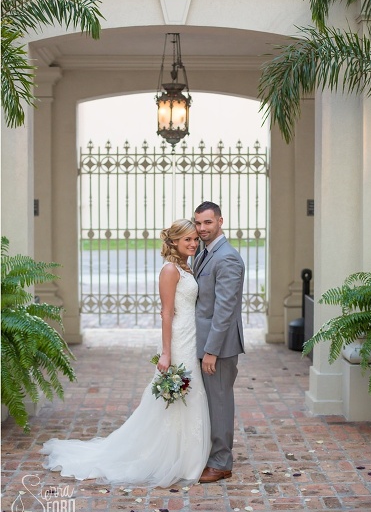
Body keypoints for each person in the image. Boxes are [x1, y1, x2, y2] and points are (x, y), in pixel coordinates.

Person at [41, 219, 211, 487]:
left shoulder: (187, 266)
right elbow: (166, 313)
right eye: (186, 239)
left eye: (194, 239)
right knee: (178, 395)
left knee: (190, 394)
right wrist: (166, 353)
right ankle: (169, 457)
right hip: (178, 340)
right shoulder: (170, 270)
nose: (192, 243)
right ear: (174, 242)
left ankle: (187, 457)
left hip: (191, 336)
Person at [193, 201, 245, 484]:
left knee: (221, 402)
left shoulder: (227, 258)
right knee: (211, 402)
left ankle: (222, 463)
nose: (201, 228)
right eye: (198, 223)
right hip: (202, 342)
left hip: (219, 347)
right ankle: (211, 454)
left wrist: (211, 350)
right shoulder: (204, 252)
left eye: (207, 223)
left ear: (220, 221)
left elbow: (225, 309)